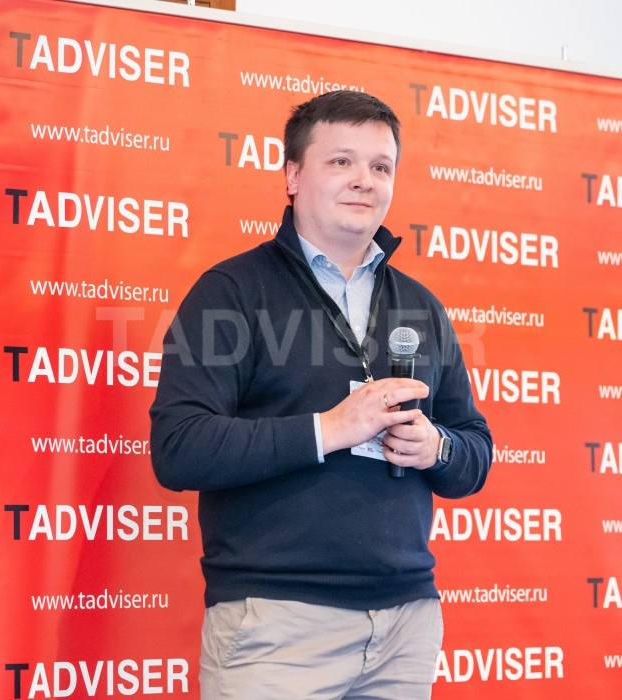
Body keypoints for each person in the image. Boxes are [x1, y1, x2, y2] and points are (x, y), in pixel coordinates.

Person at [150, 90, 492, 699]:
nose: (364, 179)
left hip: (405, 627)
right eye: (341, 161)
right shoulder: (232, 291)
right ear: (292, 175)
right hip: (277, 627)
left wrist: (436, 448)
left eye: (380, 166)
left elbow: (475, 451)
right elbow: (180, 448)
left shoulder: (422, 305)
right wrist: (332, 428)